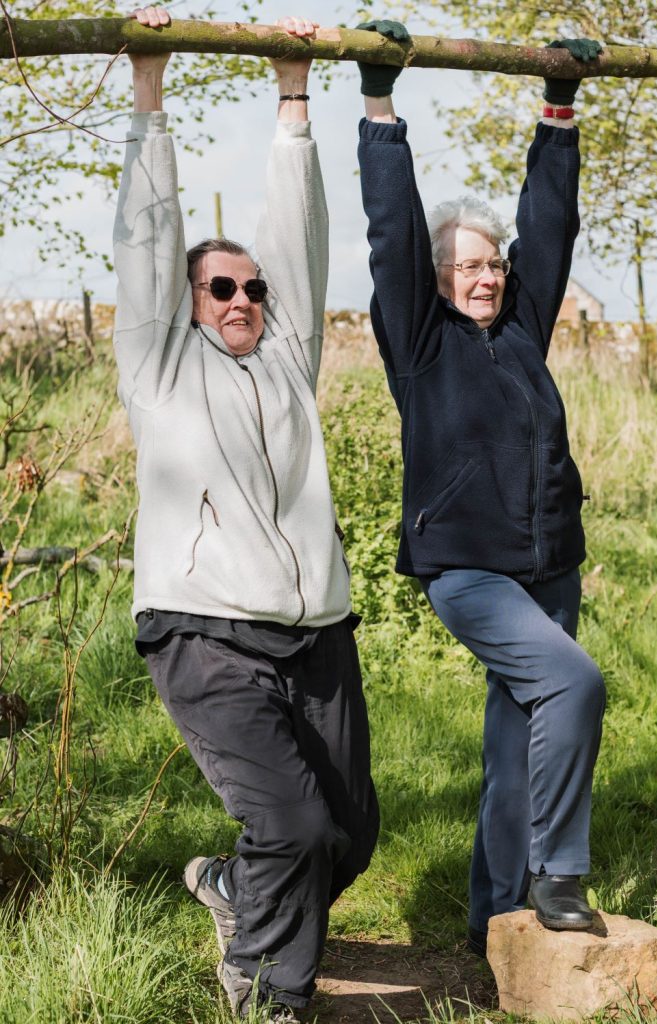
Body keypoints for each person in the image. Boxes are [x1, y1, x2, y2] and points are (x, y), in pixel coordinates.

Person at [113, 9, 379, 1020]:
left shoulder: (286, 358)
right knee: (295, 827)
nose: (242, 296)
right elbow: (147, 245)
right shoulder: (160, 364)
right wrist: (149, 91)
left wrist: (295, 98)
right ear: (185, 302)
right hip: (203, 628)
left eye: (251, 288)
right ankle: (271, 994)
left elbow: (297, 242)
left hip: (314, 632)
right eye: (219, 285)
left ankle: (232, 893)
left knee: (348, 834)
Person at [354, 23, 606, 957]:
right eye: (468, 264)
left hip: (549, 565)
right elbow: (390, 233)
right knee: (574, 683)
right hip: (467, 570)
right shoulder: (420, 343)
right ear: (439, 276)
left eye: (493, 262)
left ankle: (492, 916)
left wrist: (559, 105)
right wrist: (381, 111)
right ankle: (558, 872)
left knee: (517, 740)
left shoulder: (523, 324)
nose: (487, 275)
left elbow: (551, 222)